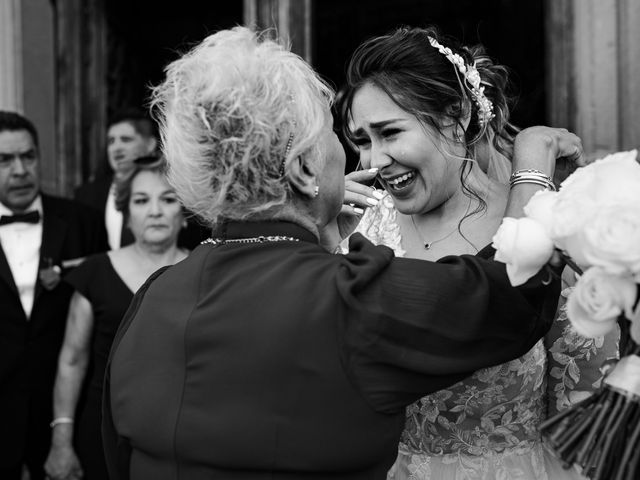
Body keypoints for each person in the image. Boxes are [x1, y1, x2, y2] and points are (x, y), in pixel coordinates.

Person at [102, 27, 584, 480]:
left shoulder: (153, 295)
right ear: (305, 169)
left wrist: (321, 237)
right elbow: (510, 298)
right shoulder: (347, 294)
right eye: (342, 138)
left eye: (387, 133)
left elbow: (119, 451)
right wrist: (534, 168)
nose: (367, 160)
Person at [339, 26, 618, 480]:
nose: (373, 161)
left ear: (458, 115)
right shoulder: (360, 226)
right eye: (361, 140)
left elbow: (584, 405)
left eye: (389, 133)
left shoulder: (545, 223)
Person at [44, 157, 189, 480]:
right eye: (141, 200)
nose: (155, 211)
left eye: (167, 199)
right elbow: (71, 361)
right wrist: (61, 440)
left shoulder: (204, 272)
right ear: (126, 213)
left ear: (185, 214)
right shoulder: (95, 273)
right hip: (102, 430)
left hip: (182, 434)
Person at [0, 111, 108, 480]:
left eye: (28, 157)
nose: (19, 170)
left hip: (66, 413)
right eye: (4, 160)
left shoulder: (84, 223)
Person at [75, 109, 159, 250]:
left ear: (150, 144)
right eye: (111, 141)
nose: (116, 148)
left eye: (126, 140)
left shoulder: (171, 188)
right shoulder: (86, 195)